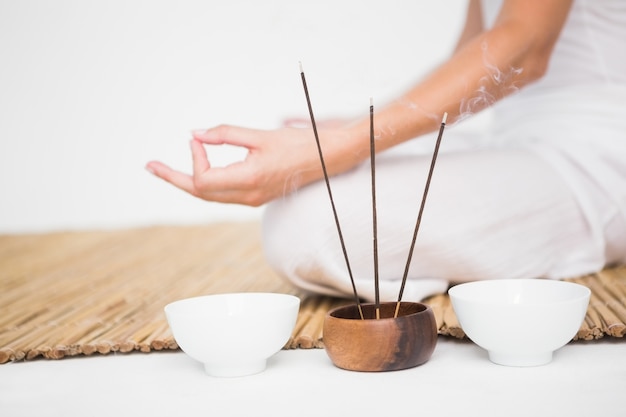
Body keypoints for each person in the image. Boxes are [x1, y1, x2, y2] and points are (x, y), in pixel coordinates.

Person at [146, 0, 626, 302]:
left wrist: (341, 147)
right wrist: (354, 126)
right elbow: (477, 51)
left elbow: (523, 49)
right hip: (514, 142)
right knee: (318, 193)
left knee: (307, 222)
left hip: (597, 159)